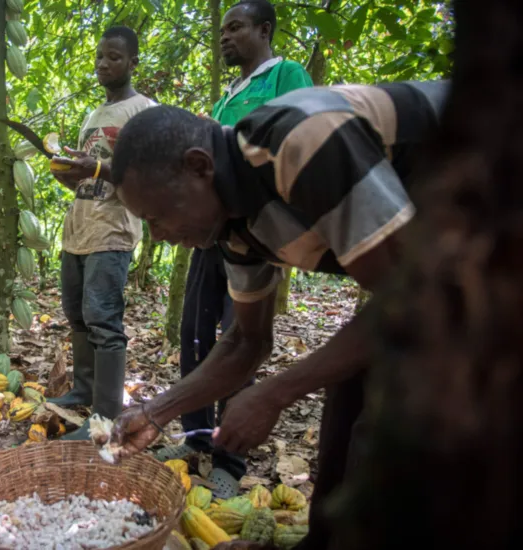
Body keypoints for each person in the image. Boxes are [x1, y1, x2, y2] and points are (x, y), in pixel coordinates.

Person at [106, 81, 449, 549]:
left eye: (159, 216)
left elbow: (412, 296)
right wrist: (156, 411)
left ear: (198, 167)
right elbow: (247, 343)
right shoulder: (233, 227)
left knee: (391, 428)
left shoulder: (302, 141)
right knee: (345, 411)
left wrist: (274, 394)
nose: (160, 235)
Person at [156, 0, 313, 499]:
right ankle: (194, 435)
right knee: (195, 331)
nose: (225, 36)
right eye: (222, 29)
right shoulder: (228, 98)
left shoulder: (285, 74)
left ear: (264, 30)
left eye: (236, 27)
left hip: (260, 231)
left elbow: (303, 139)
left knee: (237, 333)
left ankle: (229, 457)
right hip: (215, 231)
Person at [46, 26, 156, 440]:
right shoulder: (94, 116)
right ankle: (84, 389)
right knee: (76, 313)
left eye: (113, 57)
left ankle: (107, 413)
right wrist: (69, 170)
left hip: (114, 228)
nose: (103, 64)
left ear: (132, 63)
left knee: (103, 319)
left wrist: (91, 168)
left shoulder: (143, 110)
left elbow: (145, 173)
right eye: (99, 57)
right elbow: (88, 178)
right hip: (80, 226)